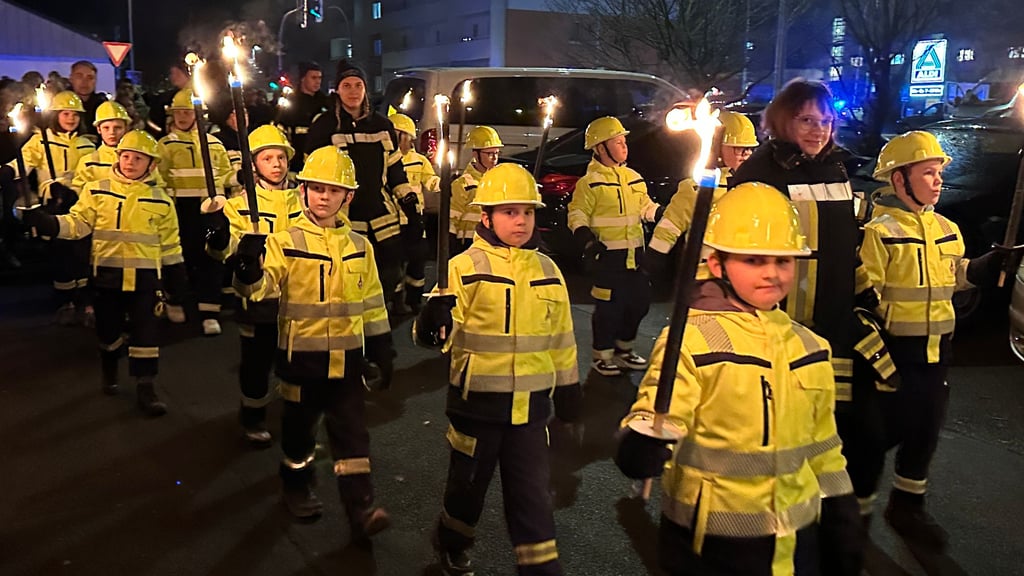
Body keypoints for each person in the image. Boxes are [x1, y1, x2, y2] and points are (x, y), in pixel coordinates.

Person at [615, 182, 863, 576]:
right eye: (753, 260)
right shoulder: (691, 340)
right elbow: (655, 413)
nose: (772, 274)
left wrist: (841, 511)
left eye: (783, 261)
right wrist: (639, 443)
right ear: (717, 265)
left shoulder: (810, 346)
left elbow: (823, 446)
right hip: (711, 548)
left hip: (797, 545)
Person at [414, 163, 581, 576]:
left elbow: (561, 338)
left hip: (531, 413)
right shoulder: (463, 268)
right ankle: (452, 540)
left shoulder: (549, 271)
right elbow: (437, 338)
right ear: (486, 217)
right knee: (467, 491)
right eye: (509, 212)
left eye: (527, 211)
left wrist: (570, 392)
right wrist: (433, 322)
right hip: (477, 408)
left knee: (532, 499)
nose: (520, 220)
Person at [859, 130, 1018, 550]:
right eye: (927, 172)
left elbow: (954, 275)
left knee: (925, 431)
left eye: (938, 173)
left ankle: (907, 507)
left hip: (936, 352)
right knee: (876, 437)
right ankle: (853, 515)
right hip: (894, 353)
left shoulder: (947, 227)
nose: (937, 181)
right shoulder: (879, 232)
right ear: (898, 180)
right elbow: (865, 294)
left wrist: (984, 268)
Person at [233, 145, 395, 539]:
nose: (324, 197)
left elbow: (372, 302)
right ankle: (296, 483)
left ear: (348, 197)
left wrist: (381, 348)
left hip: (347, 361)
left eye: (334, 190)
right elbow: (256, 289)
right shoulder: (283, 241)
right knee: (299, 433)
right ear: (302, 191)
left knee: (353, 435)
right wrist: (246, 264)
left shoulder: (360, 246)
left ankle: (361, 509)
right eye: (316, 188)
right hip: (301, 359)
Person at [729, 79, 880, 490]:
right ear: (783, 120)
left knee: (832, 420)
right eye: (807, 120)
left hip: (834, 321)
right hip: (781, 323)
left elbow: (846, 243)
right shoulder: (760, 173)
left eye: (826, 121)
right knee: (780, 422)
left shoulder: (835, 168)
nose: (819, 130)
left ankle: (831, 507)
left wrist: (864, 294)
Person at [20, 130, 186, 416]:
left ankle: (146, 386)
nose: (130, 162)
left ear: (152, 165)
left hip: (146, 280)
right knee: (108, 331)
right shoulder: (97, 190)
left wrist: (176, 284)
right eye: (125, 156)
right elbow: (77, 224)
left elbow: (171, 247)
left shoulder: (162, 200)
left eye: (138, 158)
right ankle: (109, 366)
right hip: (107, 277)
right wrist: (46, 223)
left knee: (146, 334)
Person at [204, 125, 303, 447]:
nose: (276, 164)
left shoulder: (305, 198)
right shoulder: (238, 204)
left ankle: (296, 418)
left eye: (280, 157)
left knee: (295, 364)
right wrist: (218, 233)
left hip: (298, 298)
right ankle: (252, 417)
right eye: (267, 158)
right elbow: (222, 251)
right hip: (257, 300)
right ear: (253, 165)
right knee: (257, 364)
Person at [304, 60, 412, 313]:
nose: (353, 91)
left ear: (365, 89)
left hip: (380, 210)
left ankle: (383, 309)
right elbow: (313, 171)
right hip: (342, 212)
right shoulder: (325, 125)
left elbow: (395, 168)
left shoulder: (383, 125)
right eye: (346, 85)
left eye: (358, 85)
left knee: (388, 263)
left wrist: (408, 202)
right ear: (337, 90)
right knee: (349, 266)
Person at [567, 116, 661, 377]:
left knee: (639, 303)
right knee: (609, 309)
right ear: (600, 148)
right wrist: (586, 239)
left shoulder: (633, 178)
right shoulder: (590, 183)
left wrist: (661, 213)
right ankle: (602, 355)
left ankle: (624, 349)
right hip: (608, 259)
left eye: (624, 141)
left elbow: (645, 207)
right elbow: (577, 213)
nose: (624, 147)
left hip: (635, 256)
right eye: (617, 142)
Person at [4, 91, 96, 324]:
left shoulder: (86, 143)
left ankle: (84, 300)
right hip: (54, 204)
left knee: (83, 253)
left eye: (75, 114)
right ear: (56, 115)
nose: (71, 118)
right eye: (66, 113)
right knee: (61, 253)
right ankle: (65, 300)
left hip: (81, 202)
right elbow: (23, 162)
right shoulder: (40, 140)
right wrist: (8, 170)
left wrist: (74, 190)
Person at [646, 110, 759, 276]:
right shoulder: (696, 188)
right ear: (717, 147)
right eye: (738, 148)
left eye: (749, 149)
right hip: (705, 274)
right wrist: (655, 255)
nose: (745, 154)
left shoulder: (752, 186)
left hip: (743, 274)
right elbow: (671, 225)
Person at [159, 88, 234, 335]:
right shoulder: (165, 145)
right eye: (178, 112)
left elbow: (225, 174)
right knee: (180, 259)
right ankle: (176, 301)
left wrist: (239, 179)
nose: (182, 116)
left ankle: (209, 312)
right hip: (179, 209)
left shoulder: (214, 144)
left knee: (211, 258)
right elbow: (159, 178)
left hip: (209, 208)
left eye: (187, 111)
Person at [390, 112, 440, 312]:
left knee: (417, 261)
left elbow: (430, 179)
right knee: (395, 262)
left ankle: (414, 299)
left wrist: (442, 182)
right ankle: (396, 300)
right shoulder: (388, 160)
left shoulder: (419, 161)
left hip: (415, 219)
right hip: (393, 219)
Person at [449, 125, 503, 254]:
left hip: (492, 242)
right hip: (467, 244)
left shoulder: (499, 180)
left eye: (496, 153)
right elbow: (451, 218)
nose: (494, 158)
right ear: (475, 154)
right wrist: (451, 244)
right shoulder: (463, 184)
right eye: (489, 153)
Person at [276, 61, 331, 174]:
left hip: (323, 162)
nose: (318, 82)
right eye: (313, 78)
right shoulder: (292, 103)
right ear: (303, 78)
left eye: (320, 78)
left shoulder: (326, 103)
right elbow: (281, 132)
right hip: (298, 164)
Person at [145, 62, 191, 138]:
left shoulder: (202, 96)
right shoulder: (164, 98)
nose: (172, 77)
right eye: (172, 74)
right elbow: (153, 124)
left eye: (177, 74)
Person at [69, 61, 108, 138]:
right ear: (71, 79)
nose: (85, 82)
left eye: (90, 77)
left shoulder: (103, 106)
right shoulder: (61, 104)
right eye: (79, 76)